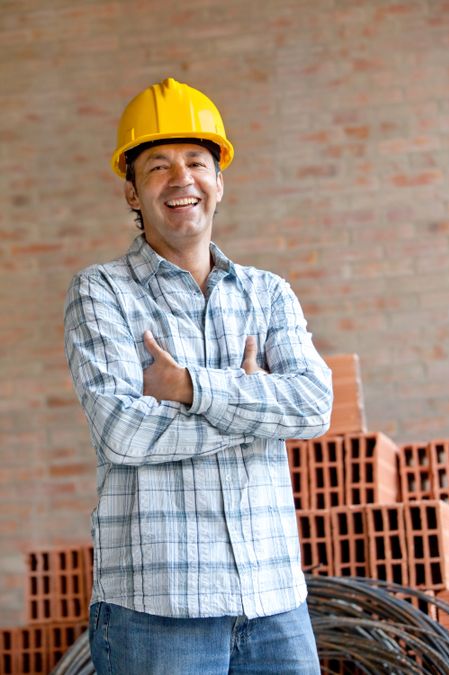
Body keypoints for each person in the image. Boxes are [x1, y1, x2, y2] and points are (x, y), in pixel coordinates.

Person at [64, 77, 333, 675]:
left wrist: (191, 389)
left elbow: (314, 406)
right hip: (157, 612)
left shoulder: (268, 293)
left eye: (196, 162)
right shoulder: (101, 293)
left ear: (219, 181)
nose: (180, 178)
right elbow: (122, 433)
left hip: (274, 604)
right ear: (131, 192)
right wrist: (257, 407)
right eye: (157, 166)